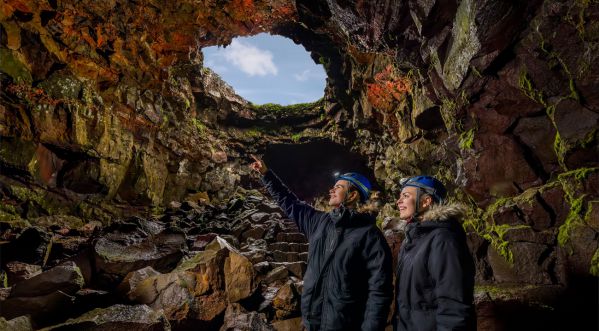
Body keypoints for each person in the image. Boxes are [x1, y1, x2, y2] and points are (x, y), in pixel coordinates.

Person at [249, 155, 392, 331]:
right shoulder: (319, 222)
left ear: (353, 195)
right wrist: (265, 174)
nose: (331, 190)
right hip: (312, 323)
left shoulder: (370, 236)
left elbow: (379, 292)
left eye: (339, 187)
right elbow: (290, 202)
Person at [393, 176, 475, 331]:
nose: (398, 201)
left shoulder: (443, 240)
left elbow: (453, 305)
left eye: (405, 196)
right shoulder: (411, 240)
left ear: (426, 201)